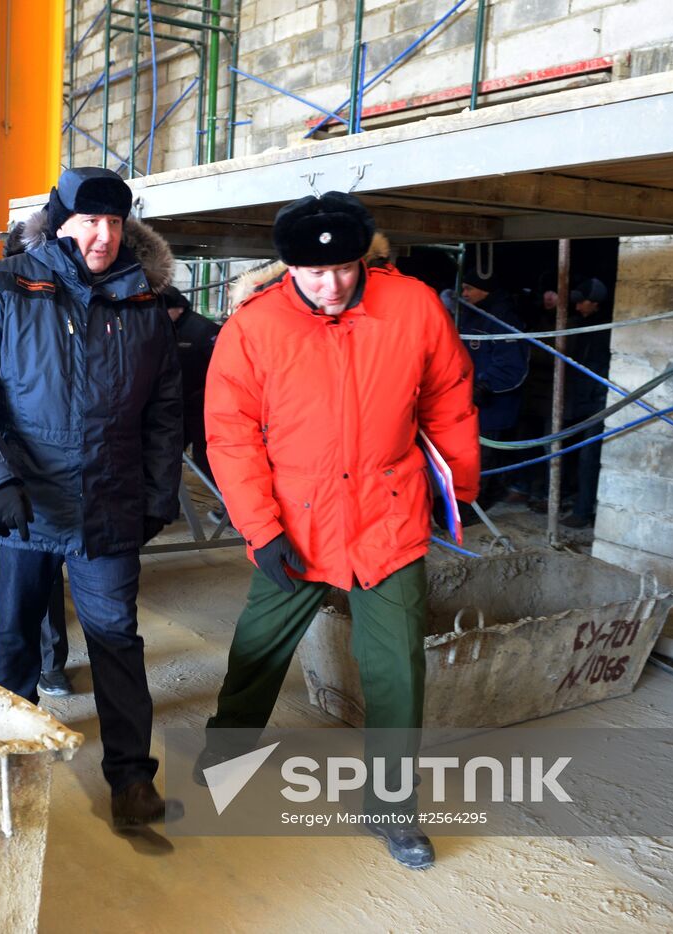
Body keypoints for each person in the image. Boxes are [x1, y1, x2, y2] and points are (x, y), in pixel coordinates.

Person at [199, 192, 479, 869]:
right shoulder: (254, 328)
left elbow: (448, 393)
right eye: (315, 274)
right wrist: (260, 528)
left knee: (398, 668)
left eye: (346, 269)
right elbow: (230, 435)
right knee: (259, 649)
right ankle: (225, 755)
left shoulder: (412, 307)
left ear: (364, 258)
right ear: (288, 266)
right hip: (296, 518)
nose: (332, 285)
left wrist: (456, 489)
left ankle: (391, 808)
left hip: (388, 514)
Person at [0, 167, 184, 828]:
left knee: (116, 640)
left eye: (114, 222)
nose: (103, 235)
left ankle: (132, 779)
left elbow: (166, 409)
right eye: (89, 220)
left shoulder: (142, 301)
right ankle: (9, 758)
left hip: (110, 504)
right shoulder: (3, 287)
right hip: (25, 502)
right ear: (59, 221)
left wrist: (159, 494)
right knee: (17, 641)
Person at [450, 269, 528, 509]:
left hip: (491, 404)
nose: (463, 294)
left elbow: (512, 365)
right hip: (466, 398)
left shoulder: (504, 318)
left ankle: (478, 503)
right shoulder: (471, 314)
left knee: (485, 456)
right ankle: (463, 499)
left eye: (468, 288)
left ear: (485, 289)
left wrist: (484, 385)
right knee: (467, 454)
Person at [562, 277, 611, 528]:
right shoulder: (583, 325)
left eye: (583, 302)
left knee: (588, 457)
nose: (578, 307)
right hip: (581, 399)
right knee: (569, 451)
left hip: (597, 401)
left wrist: (593, 397)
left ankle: (582, 511)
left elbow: (599, 369)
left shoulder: (605, 330)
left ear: (595, 303)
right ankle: (567, 499)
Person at [165, 286, 220, 481]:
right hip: (177, 406)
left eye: (165, 310)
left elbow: (223, 369)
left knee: (205, 457)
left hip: (203, 406)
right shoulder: (164, 328)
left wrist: (205, 395)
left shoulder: (204, 330)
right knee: (168, 454)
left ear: (179, 308)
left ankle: (225, 502)